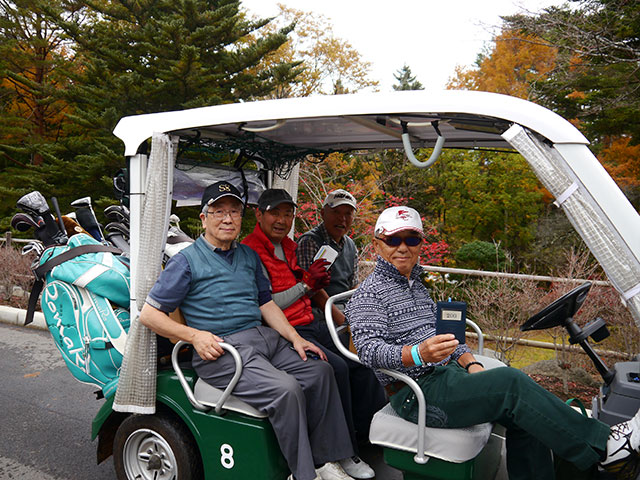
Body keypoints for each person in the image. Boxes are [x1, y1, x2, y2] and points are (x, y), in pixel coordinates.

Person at [346, 205, 640, 480]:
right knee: (511, 383)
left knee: (527, 415)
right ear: (377, 245)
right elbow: (368, 351)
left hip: (446, 376)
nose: (402, 247)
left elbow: (443, 338)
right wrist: (418, 354)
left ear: (420, 244)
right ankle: (606, 446)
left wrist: (470, 362)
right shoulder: (369, 294)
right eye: (393, 239)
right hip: (415, 393)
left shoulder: (416, 286)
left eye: (411, 239)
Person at [139, 181, 357, 480]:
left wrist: (295, 338)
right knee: (286, 390)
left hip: (264, 339)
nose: (227, 219)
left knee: (321, 372)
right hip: (222, 350)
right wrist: (194, 336)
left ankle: (326, 460)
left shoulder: (248, 257)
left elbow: (266, 304)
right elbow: (149, 315)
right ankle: (304, 474)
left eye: (234, 211)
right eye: (218, 212)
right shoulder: (186, 262)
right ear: (204, 218)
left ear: (242, 217)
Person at [242, 189, 377, 479]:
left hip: (311, 320)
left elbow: (306, 287)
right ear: (259, 214)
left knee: (362, 356)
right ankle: (343, 451)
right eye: (275, 213)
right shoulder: (250, 251)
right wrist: (307, 286)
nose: (282, 220)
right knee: (335, 367)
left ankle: (369, 433)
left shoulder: (290, 246)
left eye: (287, 214)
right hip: (284, 331)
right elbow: (265, 304)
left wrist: (313, 280)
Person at [297, 190, 387, 443]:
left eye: (348, 214)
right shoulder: (309, 241)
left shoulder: (349, 245)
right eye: (336, 212)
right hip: (317, 315)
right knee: (358, 361)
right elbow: (311, 288)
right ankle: (361, 430)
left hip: (343, 312)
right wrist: (341, 318)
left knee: (382, 347)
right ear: (323, 212)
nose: (343, 219)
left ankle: (378, 422)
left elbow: (352, 285)